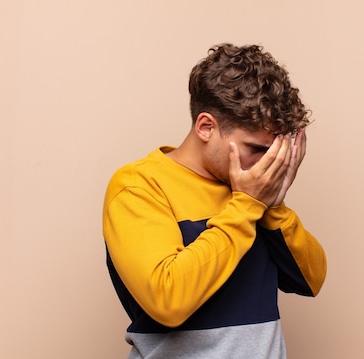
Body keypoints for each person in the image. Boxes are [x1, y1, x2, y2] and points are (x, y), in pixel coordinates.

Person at [103, 43, 327, 359]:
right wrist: (247, 205)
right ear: (206, 126)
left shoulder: (251, 189)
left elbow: (310, 279)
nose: (268, 164)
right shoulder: (139, 185)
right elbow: (167, 301)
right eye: (258, 149)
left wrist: (273, 205)